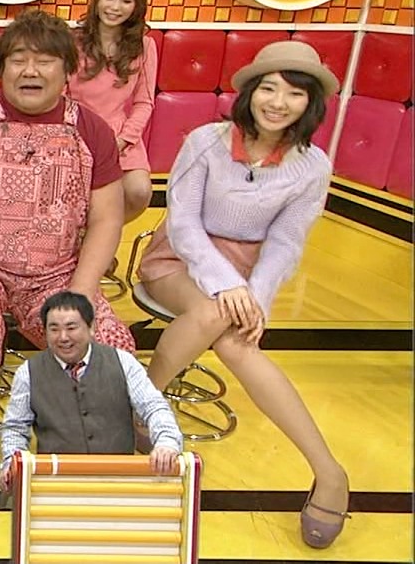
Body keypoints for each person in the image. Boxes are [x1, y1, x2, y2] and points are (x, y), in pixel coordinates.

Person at [140, 40, 348, 548]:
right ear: (250, 92)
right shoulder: (206, 142)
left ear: (310, 103)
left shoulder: (313, 166)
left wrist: (256, 299)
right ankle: (329, 471)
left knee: (234, 338)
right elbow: (183, 225)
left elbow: (285, 243)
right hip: (178, 260)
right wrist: (227, 286)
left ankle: (142, 404)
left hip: (247, 274)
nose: (278, 102)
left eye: (294, 93)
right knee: (217, 315)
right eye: (268, 88)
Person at [0, 10, 135, 452]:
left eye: (44, 60)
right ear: (2, 68)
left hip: (56, 275)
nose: (30, 71)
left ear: (67, 70)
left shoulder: (91, 130)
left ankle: (92, 448)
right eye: (18, 59)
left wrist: (82, 289)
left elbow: (107, 218)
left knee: (109, 343)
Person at [0, 291, 181, 488]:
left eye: (71, 328)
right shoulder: (27, 373)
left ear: (91, 327)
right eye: (54, 329)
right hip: (56, 485)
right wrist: (11, 463)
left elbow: (153, 406)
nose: (63, 337)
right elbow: (15, 428)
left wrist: (167, 442)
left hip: (118, 482)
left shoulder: (123, 362)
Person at [67, 0, 158, 222]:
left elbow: (144, 102)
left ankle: (103, 236)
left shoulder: (145, 46)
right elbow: (59, 96)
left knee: (139, 191)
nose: (115, 7)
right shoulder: (71, 41)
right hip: (75, 131)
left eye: (126, 1)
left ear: (136, 7)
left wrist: (123, 140)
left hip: (119, 136)